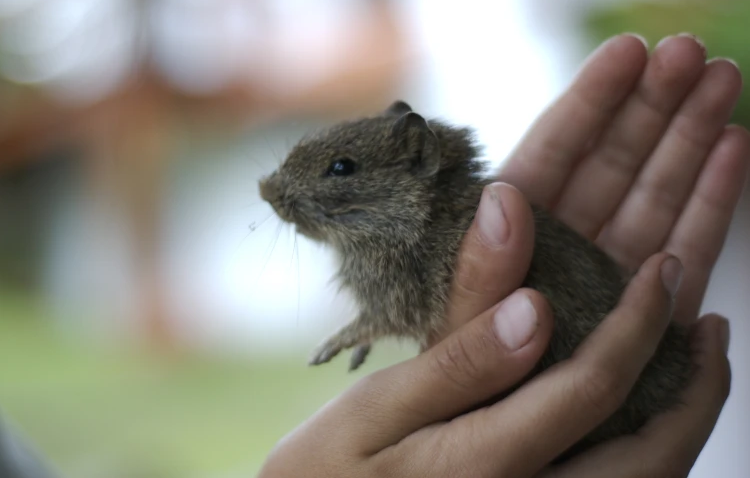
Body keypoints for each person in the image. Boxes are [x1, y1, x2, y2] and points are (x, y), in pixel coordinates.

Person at [258, 33, 748, 477]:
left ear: (417, 162)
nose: (276, 193)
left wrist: (361, 328)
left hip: (617, 401)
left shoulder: (416, 234)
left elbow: (403, 310)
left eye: (340, 169)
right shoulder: (457, 218)